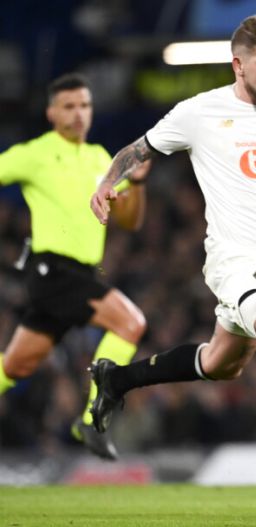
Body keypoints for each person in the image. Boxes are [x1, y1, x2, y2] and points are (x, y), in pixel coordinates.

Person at [87, 15, 256, 492]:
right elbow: (139, 149)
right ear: (238, 65)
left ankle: (116, 380)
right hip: (234, 261)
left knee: (221, 364)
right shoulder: (199, 112)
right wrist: (108, 182)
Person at [0, 73, 149, 460]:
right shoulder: (35, 153)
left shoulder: (101, 158)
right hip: (52, 271)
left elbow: (129, 220)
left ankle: (89, 419)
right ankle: (91, 420)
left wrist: (138, 184)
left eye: (84, 105)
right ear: (51, 113)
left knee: (15, 366)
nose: (78, 113)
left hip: (79, 275)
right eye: (68, 106)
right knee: (131, 323)